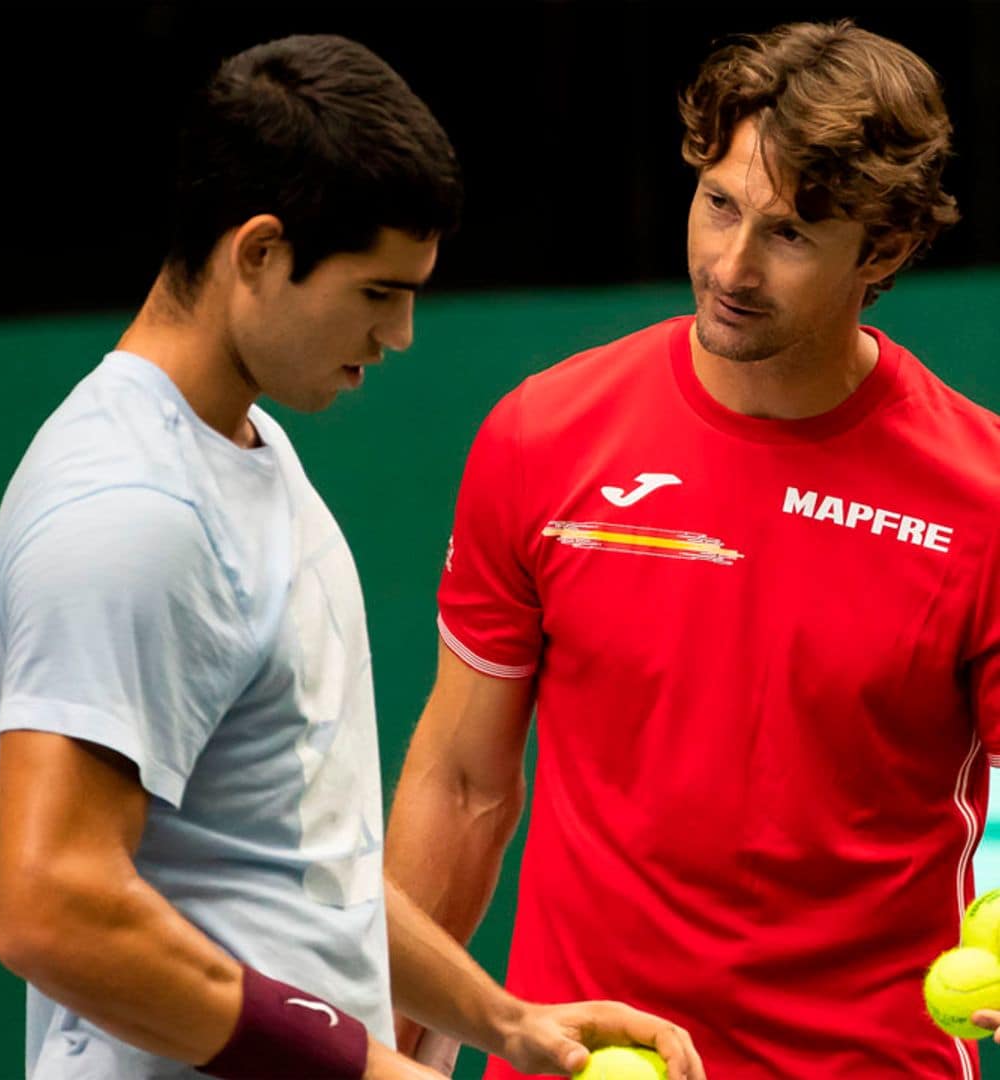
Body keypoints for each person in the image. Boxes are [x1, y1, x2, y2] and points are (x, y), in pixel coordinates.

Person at [0, 33, 705, 1080]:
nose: (402, 333)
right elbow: (52, 910)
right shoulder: (126, 510)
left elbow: (301, 875)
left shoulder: (249, 448)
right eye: (377, 293)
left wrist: (505, 1020)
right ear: (259, 253)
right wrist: (362, 1068)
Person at [384, 18, 1000, 1080]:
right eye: (720, 204)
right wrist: (387, 1047)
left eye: (793, 234)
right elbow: (462, 784)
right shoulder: (542, 436)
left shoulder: (983, 499)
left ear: (886, 250)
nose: (732, 265)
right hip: (586, 1063)